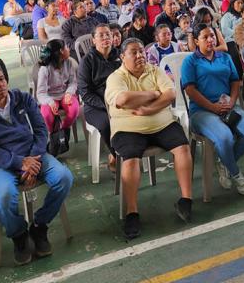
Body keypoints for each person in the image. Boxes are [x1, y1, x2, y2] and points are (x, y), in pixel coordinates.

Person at [0, 62, 73, 266]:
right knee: (4, 195)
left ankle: (40, 226)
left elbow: (41, 130)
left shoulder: (21, 99)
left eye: (2, 79)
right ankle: (19, 234)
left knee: (64, 177)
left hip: (33, 156)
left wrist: (32, 159)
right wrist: (19, 162)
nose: (0, 85)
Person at [105, 38, 195, 238]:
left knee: (182, 147)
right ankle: (132, 212)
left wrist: (149, 109)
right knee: (130, 159)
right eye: (133, 53)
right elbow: (123, 99)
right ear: (122, 57)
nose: (139, 56)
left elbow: (170, 94)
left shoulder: (154, 70)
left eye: (141, 52)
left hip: (162, 124)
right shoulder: (116, 78)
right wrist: (153, 93)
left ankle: (186, 200)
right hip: (127, 129)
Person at [181, 23, 244, 195]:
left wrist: (231, 102)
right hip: (201, 111)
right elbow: (190, 90)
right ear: (196, 41)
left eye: (212, 36)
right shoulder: (190, 61)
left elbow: (235, 81)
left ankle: (224, 162)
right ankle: (236, 174)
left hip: (227, 106)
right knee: (225, 137)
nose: (210, 40)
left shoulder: (224, 57)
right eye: (205, 37)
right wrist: (213, 107)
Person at [78, 24, 123, 171]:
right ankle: (116, 155)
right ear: (93, 40)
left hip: (120, 100)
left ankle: (130, 152)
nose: (106, 38)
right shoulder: (87, 61)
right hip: (95, 106)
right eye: (101, 35)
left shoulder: (120, 56)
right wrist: (107, 105)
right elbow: (85, 93)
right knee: (106, 124)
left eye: (108, 34)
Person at [36, 39, 79, 151]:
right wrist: (50, 102)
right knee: (46, 114)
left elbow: (73, 82)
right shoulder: (44, 69)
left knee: (74, 109)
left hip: (65, 94)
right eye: (66, 47)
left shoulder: (69, 62)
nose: (68, 49)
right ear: (61, 51)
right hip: (50, 97)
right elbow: (41, 93)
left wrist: (69, 93)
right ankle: (53, 136)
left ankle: (63, 131)